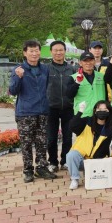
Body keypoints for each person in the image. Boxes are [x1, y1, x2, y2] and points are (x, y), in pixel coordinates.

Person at [9, 40, 57, 182]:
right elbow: (12, 91)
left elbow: (46, 87)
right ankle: (28, 170)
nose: (34, 53)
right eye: (31, 51)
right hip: (25, 112)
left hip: (42, 111)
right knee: (27, 143)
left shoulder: (45, 69)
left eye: (36, 50)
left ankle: (41, 168)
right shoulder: (19, 69)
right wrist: (18, 77)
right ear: (25, 53)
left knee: (42, 141)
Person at [66, 100, 112, 190]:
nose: (102, 112)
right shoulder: (87, 121)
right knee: (71, 155)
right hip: (84, 160)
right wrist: (80, 111)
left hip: (99, 162)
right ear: (95, 111)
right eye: (100, 109)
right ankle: (75, 179)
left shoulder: (111, 127)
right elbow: (72, 126)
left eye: (105, 109)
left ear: (109, 112)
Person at [46, 40, 77, 173]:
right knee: (51, 138)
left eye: (61, 50)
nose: (58, 52)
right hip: (50, 107)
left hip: (68, 108)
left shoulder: (72, 69)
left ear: (65, 51)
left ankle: (65, 161)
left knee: (68, 137)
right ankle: (52, 162)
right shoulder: (46, 69)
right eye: (56, 50)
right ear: (51, 52)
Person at [68, 51, 107, 119]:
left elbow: (106, 93)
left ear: (94, 61)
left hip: (99, 114)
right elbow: (69, 95)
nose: (88, 63)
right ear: (80, 63)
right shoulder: (73, 77)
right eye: (85, 61)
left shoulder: (102, 76)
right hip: (82, 114)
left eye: (91, 60)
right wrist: (77, 83)